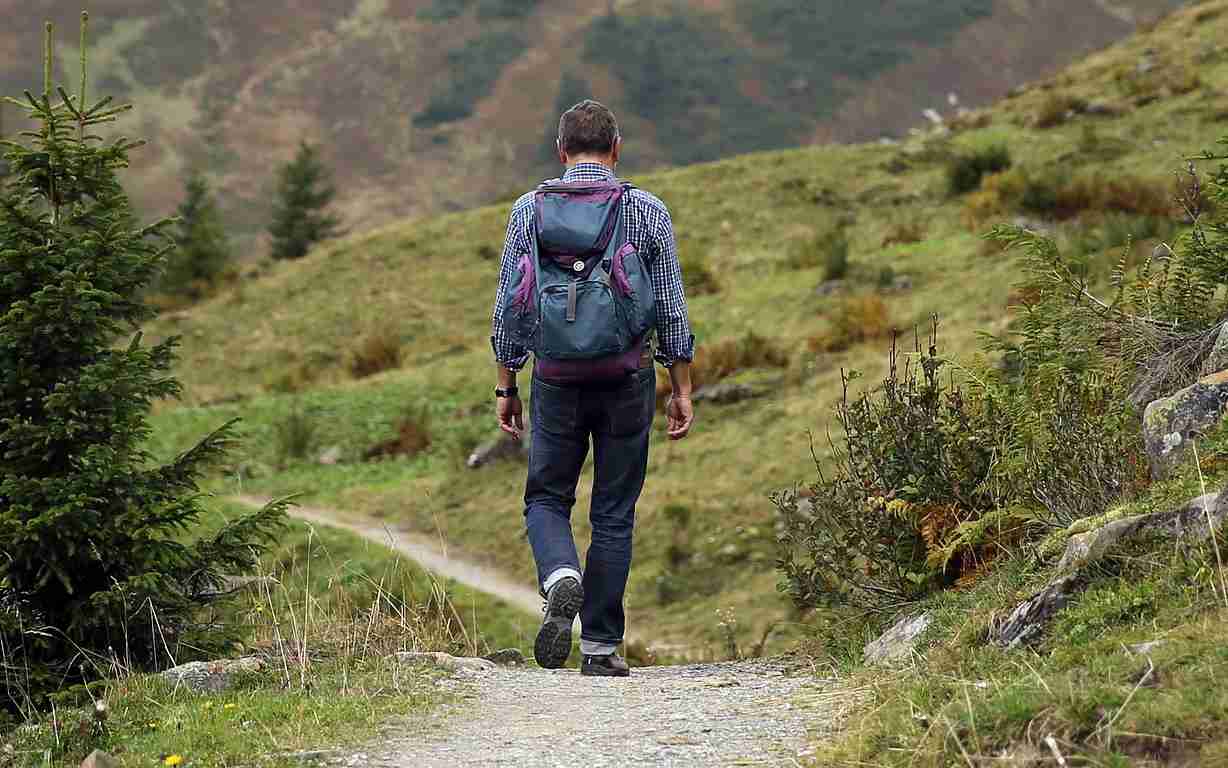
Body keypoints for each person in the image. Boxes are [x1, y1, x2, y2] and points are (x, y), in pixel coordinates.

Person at [489, 100, 695, 677]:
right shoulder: (646, 211)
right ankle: (600, 646)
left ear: (560, 152)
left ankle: (560, 576)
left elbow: (509, 305)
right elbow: (672, 309)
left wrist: (507, 384)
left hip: (555, 377)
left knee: (546, 497)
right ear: (616, 148)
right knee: (613, 510)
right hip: (627, 376)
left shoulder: (529, 210)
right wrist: (680, 387)